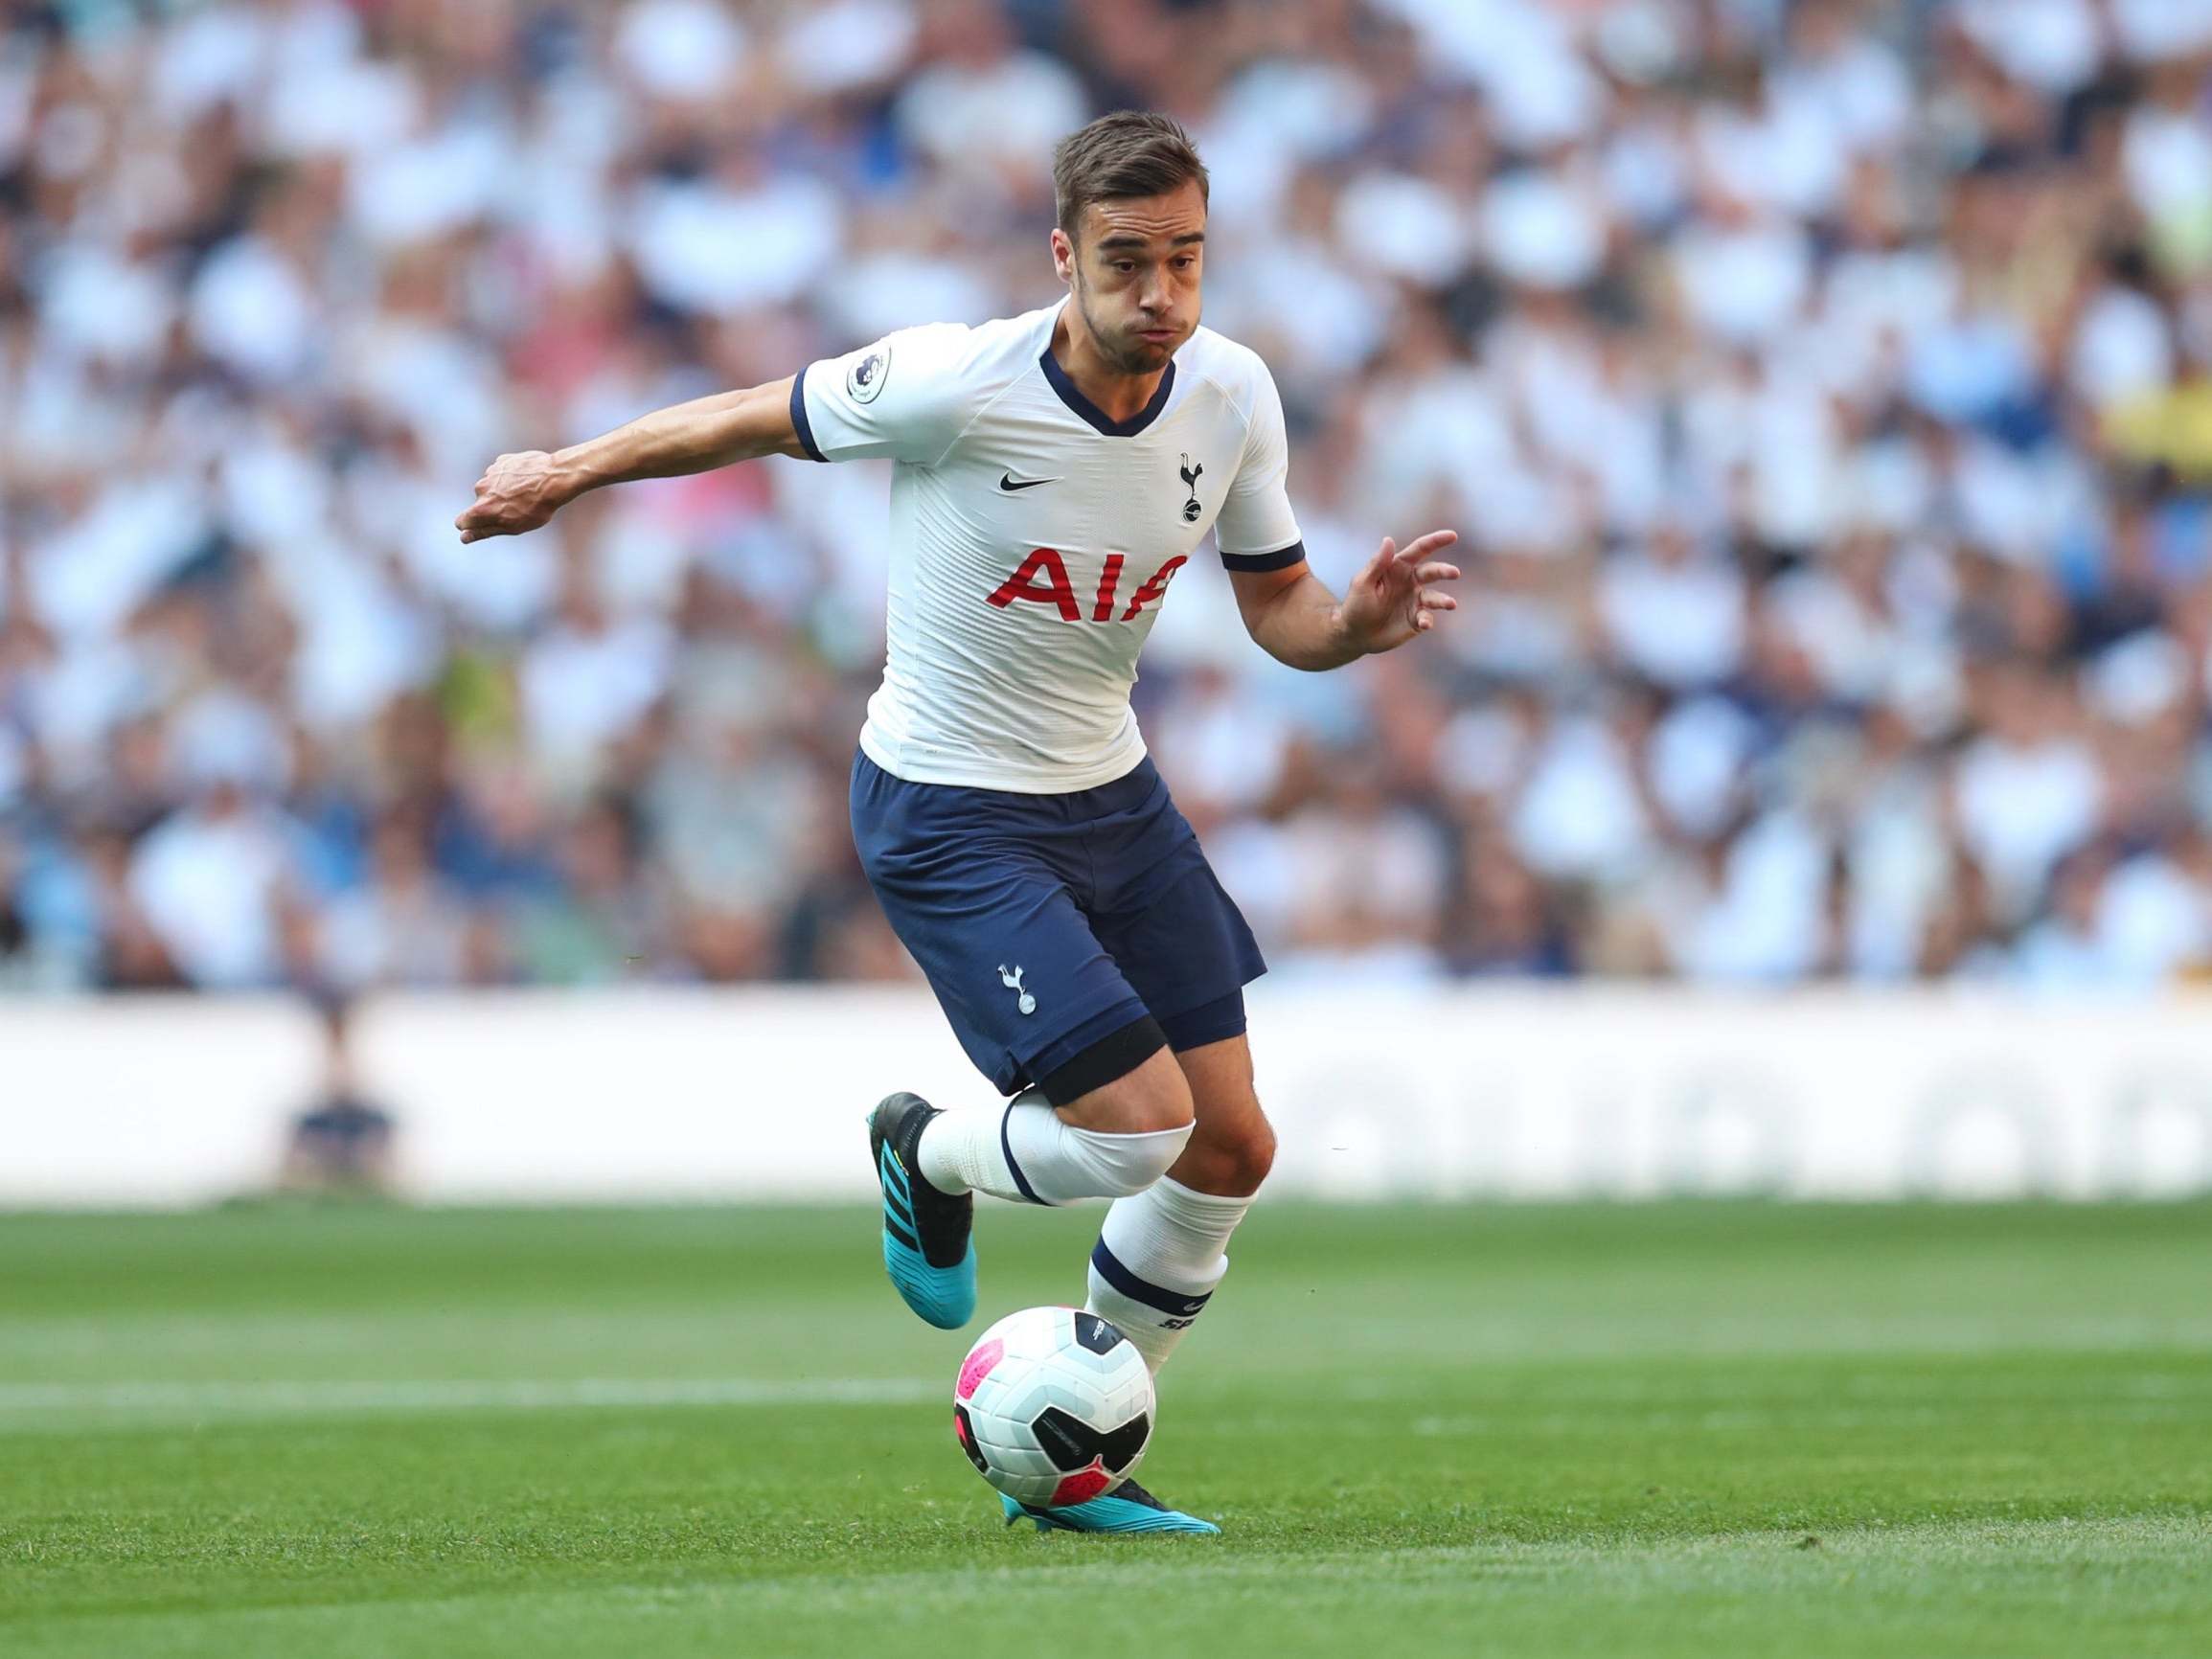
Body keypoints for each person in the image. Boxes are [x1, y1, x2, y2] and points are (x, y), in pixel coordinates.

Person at [456, 111, 1460, 1534]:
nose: (1160, 293)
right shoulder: (953, 380)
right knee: (1133, 1136)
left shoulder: (1230, 395)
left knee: (1229, 1149)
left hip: (1111, 795)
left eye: (1184, 260)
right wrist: (564, 468)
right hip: (951, 810)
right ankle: (924, 1149)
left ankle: (1075, 1458)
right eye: (1127, 262)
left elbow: (1278, 606)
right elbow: (746, 413)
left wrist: (1350, 630)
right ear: (1064, 254)